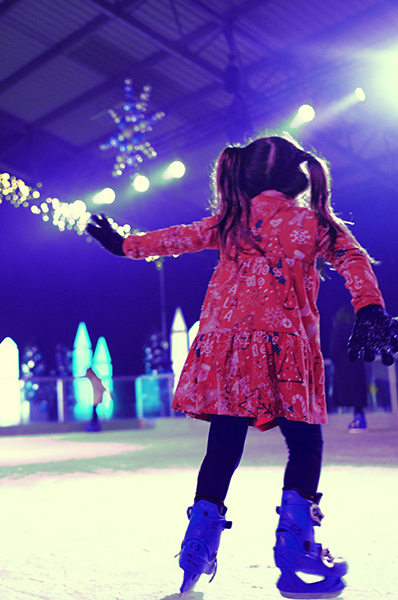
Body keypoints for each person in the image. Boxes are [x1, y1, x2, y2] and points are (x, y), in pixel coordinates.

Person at [87, 134, 398, 598]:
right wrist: (369, 308)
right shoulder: (314, 223)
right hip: (286, 346)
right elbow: (352, 259)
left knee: (223, 447)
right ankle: (296, 551)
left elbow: (176, 238)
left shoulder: (232, 221)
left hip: (227, 348)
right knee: (304, 444)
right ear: (297, 178)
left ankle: (195, 553)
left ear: (246, 175)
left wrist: (123, 245)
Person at [329, 305, 369, 432]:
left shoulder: (339, 327)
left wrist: (335, 358)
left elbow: (335, 347)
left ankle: (358, 420)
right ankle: (360, 417)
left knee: (349, 392)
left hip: (344, 364)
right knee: (358, 392)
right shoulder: (358, 326)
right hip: (357, 363)